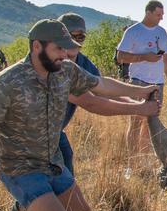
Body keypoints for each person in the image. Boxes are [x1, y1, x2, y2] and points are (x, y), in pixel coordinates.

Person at [0, 19, 159, 211]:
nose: (65, 54)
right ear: (37, 46)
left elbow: (100, 85)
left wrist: (141, 93)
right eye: (59, 49)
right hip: (19, 168)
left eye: (67, 48)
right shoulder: (5, 84)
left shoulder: (65, 71)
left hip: (52, 161)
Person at [57, 13, 160, 175]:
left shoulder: (82, 63)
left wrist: (138, 100)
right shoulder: (56, 64)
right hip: (30, 136)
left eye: (80, 36)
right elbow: (91, 102)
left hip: (55, 131)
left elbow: (103, 87)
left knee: (65, 179)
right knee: (41, 189)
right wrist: (139, 109)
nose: (75, 41)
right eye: (70, 36)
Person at [117, 0, 167, 153]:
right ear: (148, 13)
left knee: (151, 123)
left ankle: (144, 158)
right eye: (158, 14)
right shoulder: (133, 31)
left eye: (162, 15)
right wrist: (144, 57)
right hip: (138, 82)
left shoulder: (162, 32)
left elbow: (166, 59)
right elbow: (120, 57)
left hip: (158, 84)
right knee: (135, 121)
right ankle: (132, 161)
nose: (161, 18)